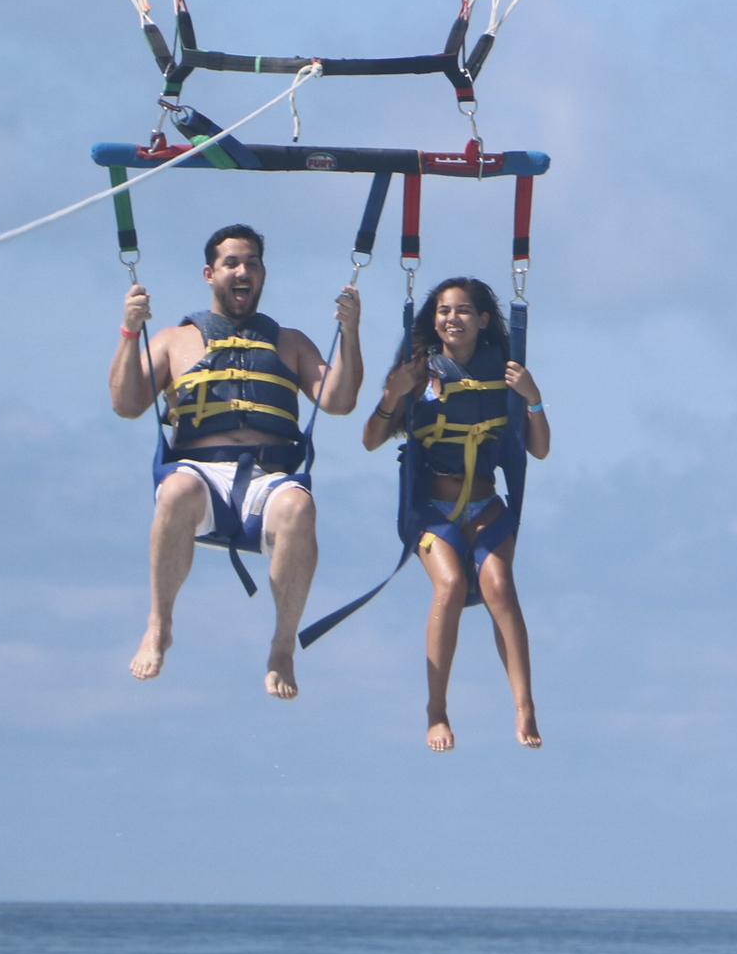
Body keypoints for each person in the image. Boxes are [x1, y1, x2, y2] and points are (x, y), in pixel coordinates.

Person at [110, 223, 362, 698]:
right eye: (232, 263)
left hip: (269, 478)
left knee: (300, 508)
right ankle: (159, 624)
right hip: (200, 475)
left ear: (263, 273)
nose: (243, 271)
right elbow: (126, 404)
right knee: (177, 490)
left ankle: (283, 645)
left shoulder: (290, 342)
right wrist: (130, 332)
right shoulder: (172, 340)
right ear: (210, 274)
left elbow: (340, 400)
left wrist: (350, 333)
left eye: (252, 262)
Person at [364, 276, 549, 751]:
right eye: (444, 311)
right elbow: (370, 440)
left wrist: (533, 397)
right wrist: (392, 395)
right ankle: (437, 711)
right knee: (450, 585)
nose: (452, 318)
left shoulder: (505, 371)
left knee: (499, 586)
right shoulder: (418, 371)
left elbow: (541, 450)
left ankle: (524, 705)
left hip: (487, 505)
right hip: (432, 509)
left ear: (483, 320)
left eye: (463, 310)